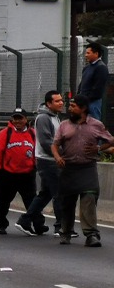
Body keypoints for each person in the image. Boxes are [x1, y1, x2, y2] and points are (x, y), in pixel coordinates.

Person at [52, 95, 114, 247]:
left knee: (89, 200)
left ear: (83, 108)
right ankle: (66, 232)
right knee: (67, 203)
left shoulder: (96, 125)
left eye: (73, 106)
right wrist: (57, 157)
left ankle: (92, 235)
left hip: (87, 168)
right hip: (68, 169)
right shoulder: (64, 125)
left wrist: (99, 148)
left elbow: (111, 140)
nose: (69, 108)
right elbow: (54, 144)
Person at [17, 90, 66, 236]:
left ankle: (25, 220)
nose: (61, 103)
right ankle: (60, 227)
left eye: (61, 100)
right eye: (57, 101)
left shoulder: (55, 117)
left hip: (51, 159)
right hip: (49, 161)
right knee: (59, 193)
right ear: (48, 104)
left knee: (45, 194)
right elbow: (46, 142)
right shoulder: (44, 118)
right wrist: (61, 155)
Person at [0, 108, 36, 235]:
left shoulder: (32, 133)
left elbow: (36, 151)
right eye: (15, 118)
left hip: (27, 174)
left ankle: (37, 224)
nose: (17, 121)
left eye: (20, 118)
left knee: (32, 201)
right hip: (8, 174)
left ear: (26, 119)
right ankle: (1, 224)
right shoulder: (5, 133)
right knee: (2, 201)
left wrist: (34, 166)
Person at [78, 43, 109, 121]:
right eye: (86, 53)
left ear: (96, 54)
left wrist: (86, 100)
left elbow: (98, 89)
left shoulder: (101, 67)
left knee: (92, 125)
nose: (86, 55)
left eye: (88, 53)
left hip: (93, 104)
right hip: (83, 103)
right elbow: (82, 84)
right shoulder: (87, 68)